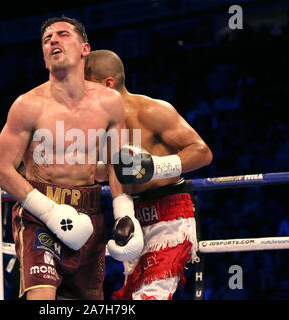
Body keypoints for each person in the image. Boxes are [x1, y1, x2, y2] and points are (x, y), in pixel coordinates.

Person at [0, 17, 143, 300]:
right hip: (39, 214)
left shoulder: (109, 102)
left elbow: (117, 163)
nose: (53, 40)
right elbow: (1, 170)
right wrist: (50, 211)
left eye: (62, 34)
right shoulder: (28, 105)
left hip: (90, 211)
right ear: (44, 57)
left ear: (85, 49)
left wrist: (124, 212)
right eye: (47, 38)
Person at [85, 49, 213, 300]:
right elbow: (113, 172)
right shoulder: (101, 126)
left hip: (170, 214)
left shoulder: (152, 111)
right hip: (133, 218)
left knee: (150, 296)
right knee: (132, 295)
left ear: (107, 84)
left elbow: (202, 152)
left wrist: (153, 166)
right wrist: (101, 168)